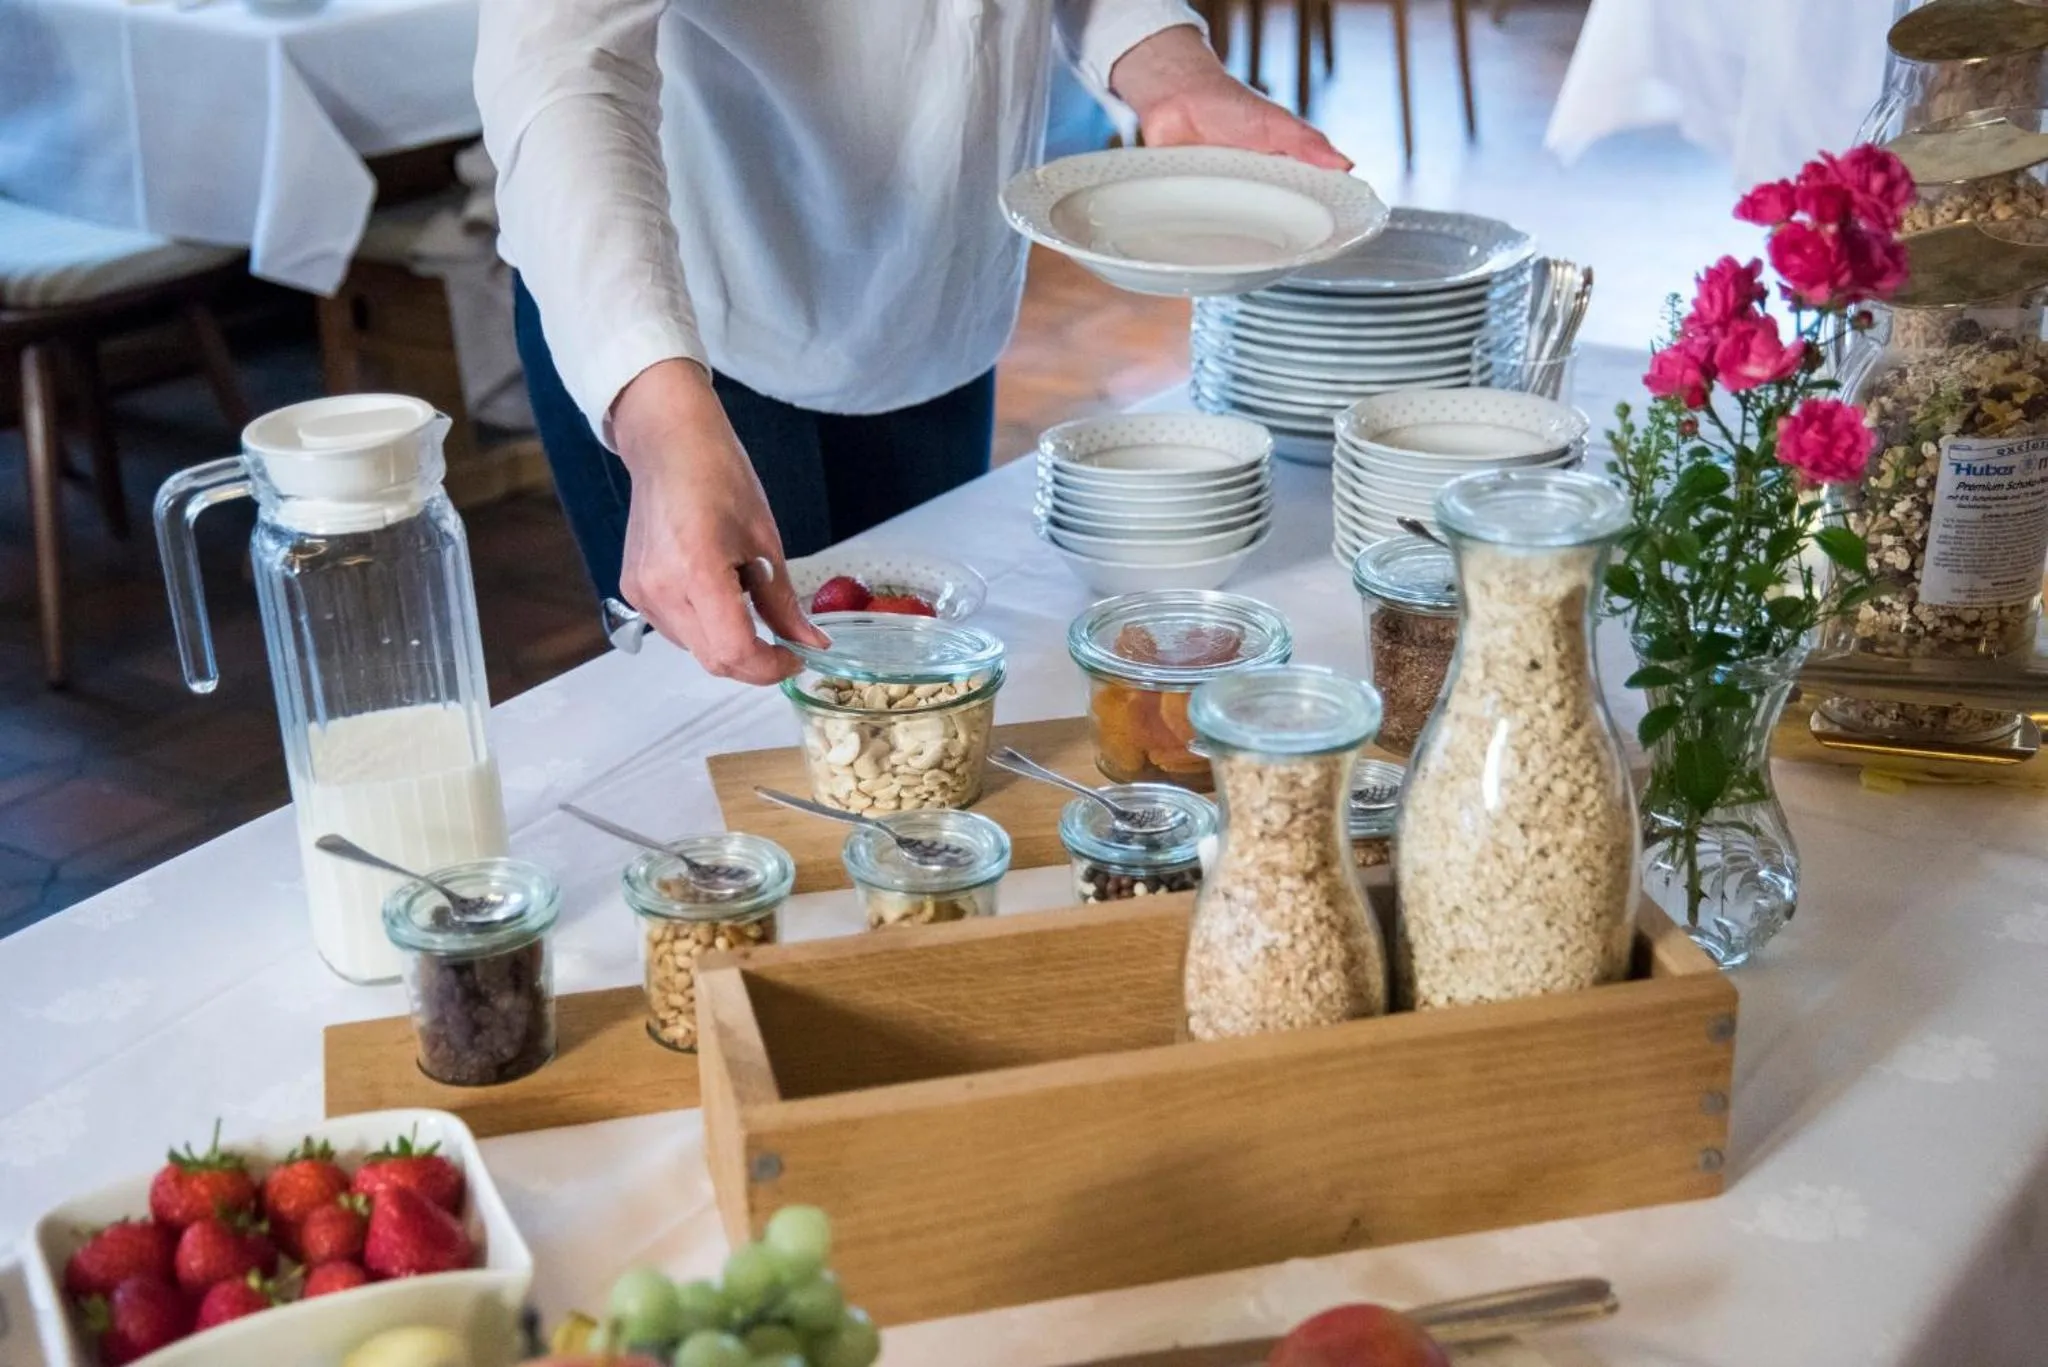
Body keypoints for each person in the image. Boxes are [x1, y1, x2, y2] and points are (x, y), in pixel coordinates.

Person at [478, 2, 1348, 685]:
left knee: (920, 693)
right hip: (682, 322)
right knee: (742, 725)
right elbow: (560, 70)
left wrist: (1168, 64)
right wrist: (662, 425)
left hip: (931, 291)